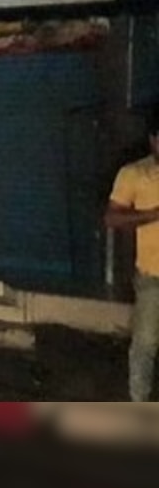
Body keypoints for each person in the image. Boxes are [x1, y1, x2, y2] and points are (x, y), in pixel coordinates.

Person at [105, 108, 159, 401]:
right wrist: (151, 214)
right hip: (153, 276)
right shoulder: (135, 174)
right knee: (146, 344)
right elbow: (112, 219)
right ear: (153, 139)